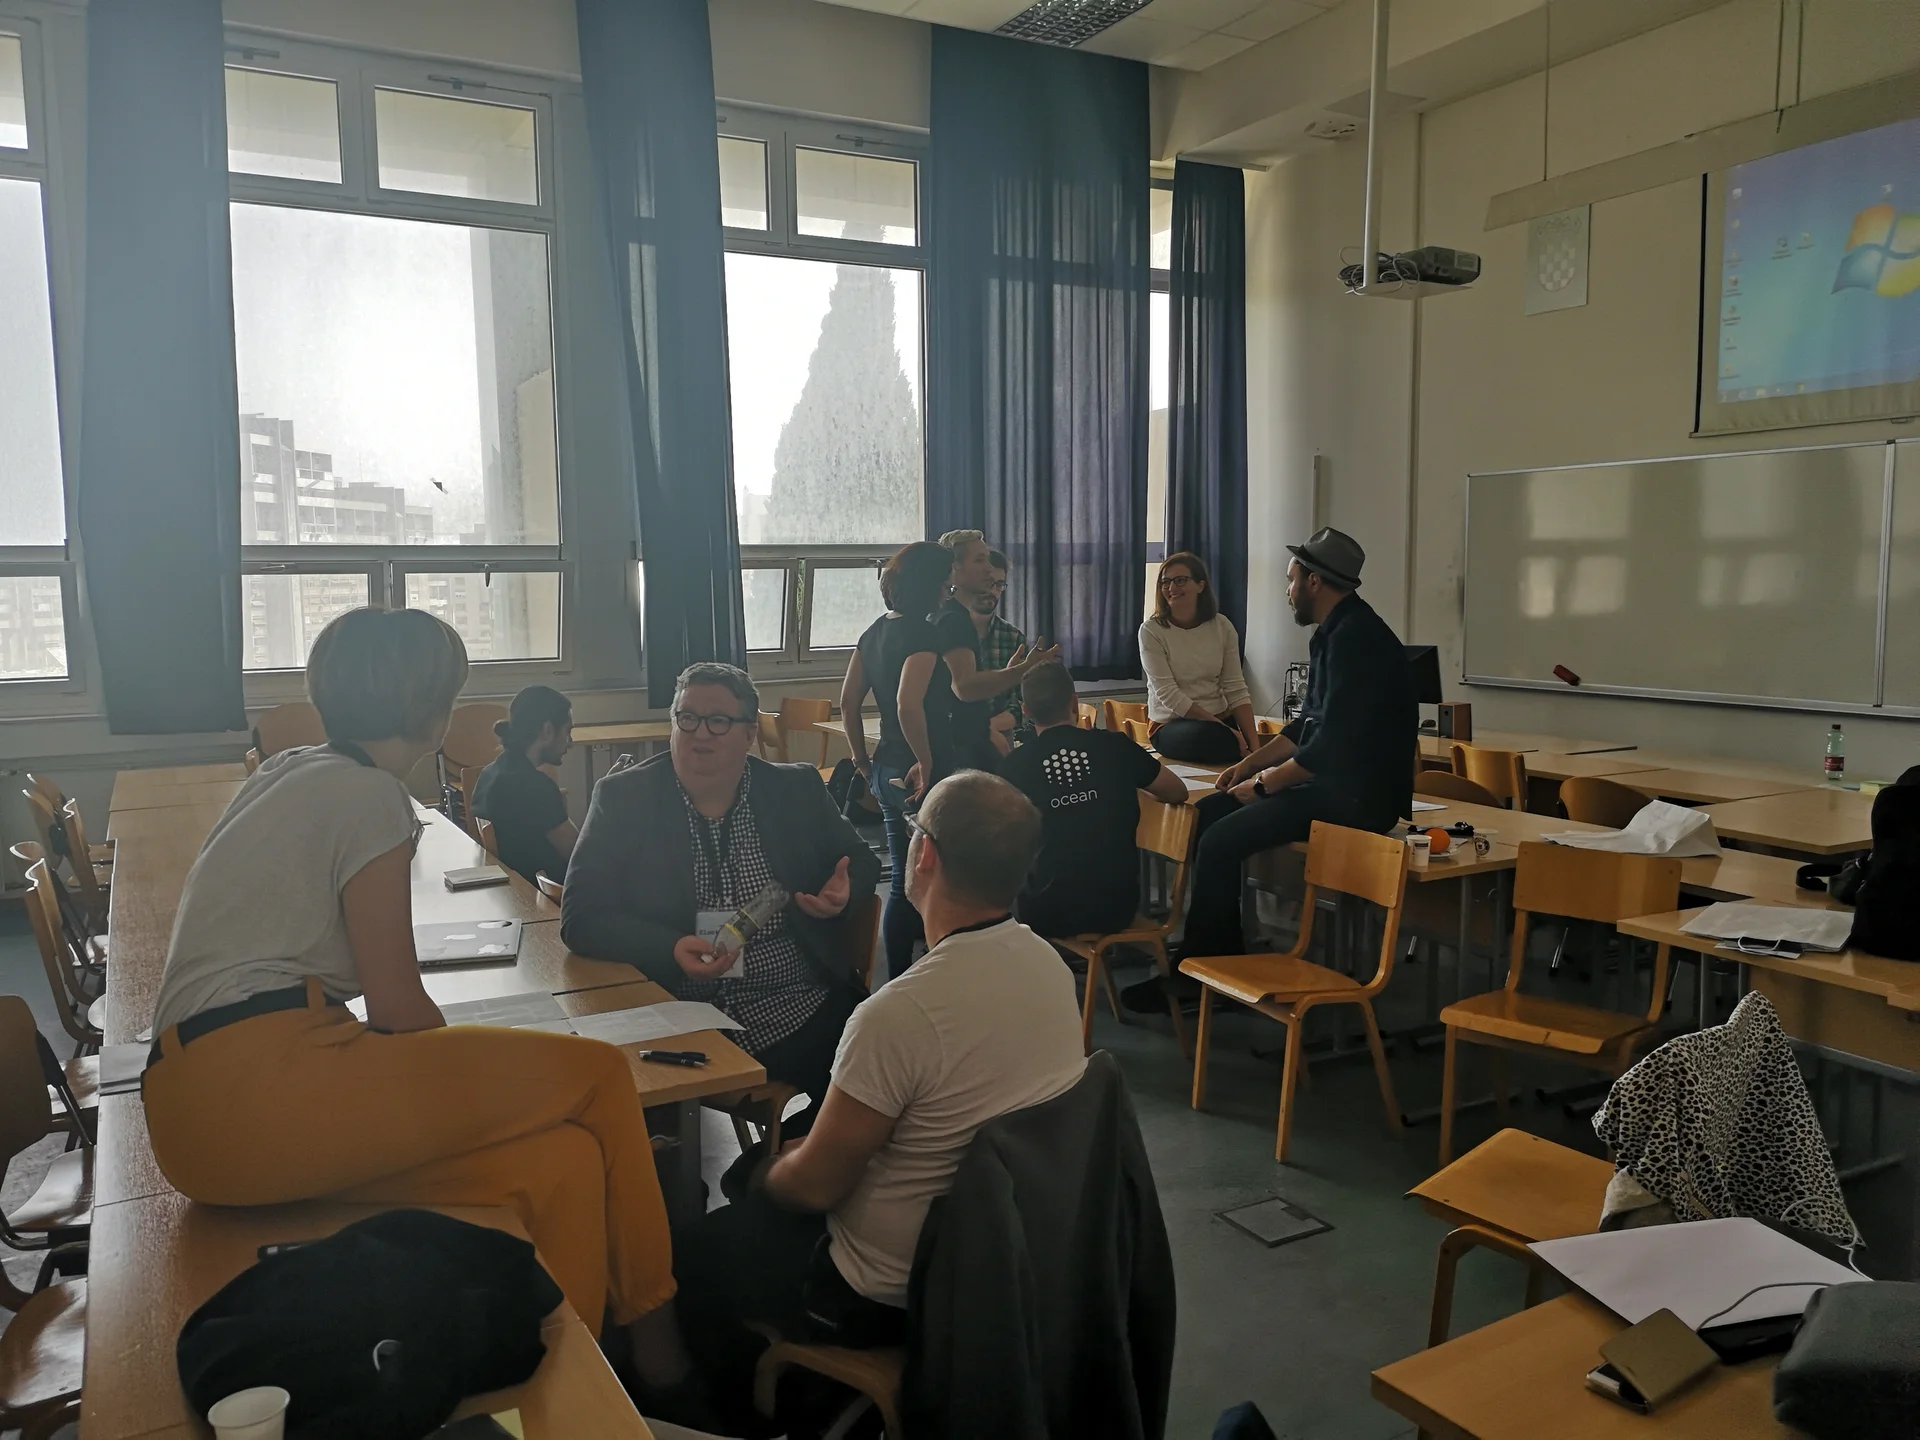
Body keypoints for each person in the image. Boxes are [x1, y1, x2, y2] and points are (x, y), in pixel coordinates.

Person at [141, 608, 693, 1400]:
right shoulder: (371, 796)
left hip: (191, 1120)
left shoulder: (284, 771)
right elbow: (398, 1009)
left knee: (562, 1162)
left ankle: (576, 1390)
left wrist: (484, 1088)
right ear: (435, 712)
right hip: (264, 1083)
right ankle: (662, 1348)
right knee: (598, 1076)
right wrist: (489, 1080)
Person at [673, 770, 1086, 1422]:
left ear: (925, 856)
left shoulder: (900, 1013)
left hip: (881, 1289)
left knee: (692, 1252)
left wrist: (766, 1174)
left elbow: (813, 1188)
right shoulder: (1051, 968)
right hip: (1004, 1261)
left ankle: (738, 1414)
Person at [562, 662, 881, 1130]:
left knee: (886, 1086)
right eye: (687, 718)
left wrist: (844, 889)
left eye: (718, 721)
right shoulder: (624, 798)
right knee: (633, 1132)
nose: (699, 734)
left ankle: (785, 1161)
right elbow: (580, 918)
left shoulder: (794, 790)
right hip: (675, 1009)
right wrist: (670, 947)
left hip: (795, 1000)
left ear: (749, 734)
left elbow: (861, 859)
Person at [1159, 528, 1415, 987]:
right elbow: (1305, 726)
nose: (1287, 590)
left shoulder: (1357, 641)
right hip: (1329, 786)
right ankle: (1214, 952)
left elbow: (1330, 746)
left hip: (1357, 798)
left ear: (1314, 582)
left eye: (1291, 579)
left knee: (1219, 840)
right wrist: (1250, 763)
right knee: (1209, 813)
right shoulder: (1333, 633)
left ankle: (1207, 970)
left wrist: (1263, 785)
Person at [842, 542, 960, 982]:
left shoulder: (872, 633)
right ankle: (935, 978)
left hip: (884, 767)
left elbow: (848, 702)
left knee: (901, 882)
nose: (948, 589)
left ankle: (896, 979)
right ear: (930, 584)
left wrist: (861, 760)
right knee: (939, 882)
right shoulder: (924, 635)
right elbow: (908, 704)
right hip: (918, 770)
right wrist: (925, 759)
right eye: (946, 581)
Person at [1001, 662, 1188, 939]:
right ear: (1074, 701)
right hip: (1116, 907)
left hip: (1045, 911)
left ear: (1025, 711)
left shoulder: (1015, 766)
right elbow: (1177, 791)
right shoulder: (1116, 746)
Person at [934, 529, 1057, 772]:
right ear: (954, 568)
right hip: (961, 752)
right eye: (979, 560)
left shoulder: (954, 617)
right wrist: (1023, 669)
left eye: (1000, 583)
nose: (989, 570)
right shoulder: (952, 620)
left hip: (972, 748)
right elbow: (964, 689)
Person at [1139, 552, 1259, 765]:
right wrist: (1223, 728)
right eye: (1165, 582)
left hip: (1219, 721)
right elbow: (1168, 694)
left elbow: (1235, 688)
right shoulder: (1151, 631)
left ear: (1200, 585)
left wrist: (1256, 751)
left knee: (1255, 744)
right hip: (1172, 725)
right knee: (1218, 741)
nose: (1171, 588)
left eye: (1180, 580)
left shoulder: (1222, 626)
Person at [471, 684, 576, 886]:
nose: (570, 742)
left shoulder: (490, 774)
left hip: (513, 889)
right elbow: (579, 854)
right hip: (546, 894)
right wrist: (605, 796)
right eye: (567, 731)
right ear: (547, 730)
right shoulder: (534, 786)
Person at [974, 549, 1028, 755]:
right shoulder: (941, 631)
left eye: (999, 585)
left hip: (999, 742)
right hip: (951, 742)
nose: (993, 591)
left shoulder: (1013, 637)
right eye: (988, 583)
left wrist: (987, 727)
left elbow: (1022, 702)